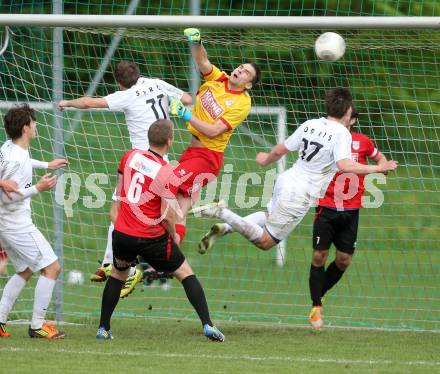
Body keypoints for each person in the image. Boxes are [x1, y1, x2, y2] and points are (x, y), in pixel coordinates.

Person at [194, 88, 398, 259]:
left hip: (286, 180)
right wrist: (378, 168)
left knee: (269, 216)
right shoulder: (342, 133)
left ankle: (225, 227)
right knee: (266, 242)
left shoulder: (311, 124)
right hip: (299, 194)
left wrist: (266, 159)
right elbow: (344, 165)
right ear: (346, 112)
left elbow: (281, 149)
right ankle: (223, 212)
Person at [59, 61, 192, 296]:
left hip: (140, 164)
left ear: (118, 83)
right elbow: (188, 99)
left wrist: (67, 103)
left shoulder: (127, 95)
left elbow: (90, 103)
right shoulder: (156, 83)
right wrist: (170, 105)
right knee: (146, 216)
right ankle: (113, 262)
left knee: (117, 211)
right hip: (161, 163)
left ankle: (125, 268)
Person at [96, 119, 224, 342]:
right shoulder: (166, 172)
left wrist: (120, 225)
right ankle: (208, 325)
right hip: (149, 237)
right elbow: (166, 215)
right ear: (170, 141)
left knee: (117, 275)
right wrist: (174, 234)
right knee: (185, 273)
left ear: (149, 137)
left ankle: (103, 329)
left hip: (123, 234)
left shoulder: (129, 157)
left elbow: (118, 197)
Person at [169, 28, 261, 238]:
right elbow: (203, 61)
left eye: (246, 72)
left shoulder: (241, 103)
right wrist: (196, 41)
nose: (240, 70)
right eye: (241, 66)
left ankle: (163, 254)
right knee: (179, 210)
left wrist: (185, 114)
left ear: (248, 84)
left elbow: (213, 131)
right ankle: (169, 261)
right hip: (192, 152)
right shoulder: (220, 79)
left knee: (166, 186)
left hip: (207, 158)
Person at [308, 109, 390, 329]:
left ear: (352, 120)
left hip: (351, 210)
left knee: (344, 260)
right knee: (319, 255)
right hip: (326, 206)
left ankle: (319, 292)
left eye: (346, 114)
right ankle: (316, 308)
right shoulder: (327, 138)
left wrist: (382, 166)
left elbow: (379, 156)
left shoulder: (362, 142)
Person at [0, 104, 69, 339]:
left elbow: (22, 163)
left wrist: (46, 165)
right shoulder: (15, 160)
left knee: (25, 270)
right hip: (15, 223)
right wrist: (37, 188)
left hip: (6, 223)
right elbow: (5, 198)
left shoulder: (10, 148)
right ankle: (38, 325)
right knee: (52, 268)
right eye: (33, 122)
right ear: (25, 128)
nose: (36, 125)